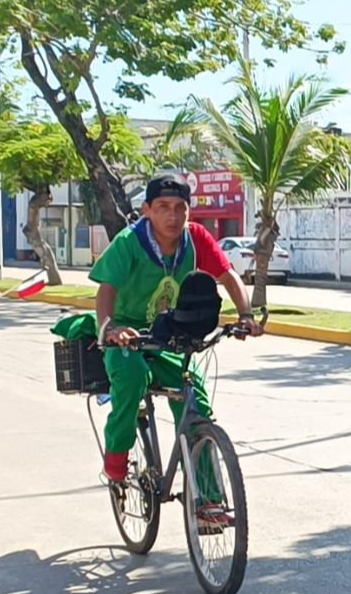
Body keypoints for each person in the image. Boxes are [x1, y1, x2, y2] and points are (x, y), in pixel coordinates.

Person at [90, 176, 263, 507]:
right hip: (127, 336)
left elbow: (228, 276)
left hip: (170, 334)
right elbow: (106, 289)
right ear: (147, 211)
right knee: (131, 378)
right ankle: (116, 459)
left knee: (196, 405)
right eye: (163, 208)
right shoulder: (129, 241)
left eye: (180, 208)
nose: (173, 216)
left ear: (189, 211)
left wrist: (245, 316)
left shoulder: (195, 238)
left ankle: (208, 501)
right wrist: (110, 328)